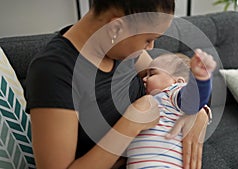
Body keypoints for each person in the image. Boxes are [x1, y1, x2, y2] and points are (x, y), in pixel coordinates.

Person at [26, 1, 212, 168]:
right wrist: (130, 124)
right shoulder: (54, 72)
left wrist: (199, 112)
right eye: (148, 39)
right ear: (115, 28)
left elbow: (173, 83)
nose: (151, 48)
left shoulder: (121, 49)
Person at [126, 50, 216, 168]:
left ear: (178, 82)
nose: (144, 79)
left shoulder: (171, 93)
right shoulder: (155, 100)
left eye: (152, 74)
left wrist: (200, 79)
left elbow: (193, 100)